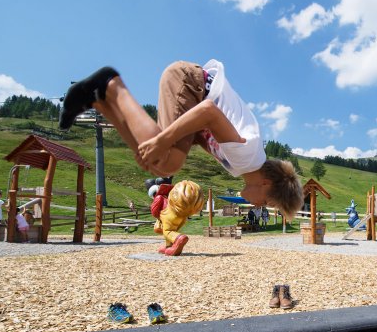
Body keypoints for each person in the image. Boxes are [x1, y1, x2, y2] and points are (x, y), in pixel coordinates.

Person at [59, 59, 303, 220]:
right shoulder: (247, 159)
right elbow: (208, 110)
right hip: (190, 84)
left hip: (192, 90)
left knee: (162, 161)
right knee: (166, 159)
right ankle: (111, 87)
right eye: (269, 203)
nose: (261, 206)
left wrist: (161, 149)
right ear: (266, 184)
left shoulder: (240, 166)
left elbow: (201, 134)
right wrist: (162, 141)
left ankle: (98, 101)